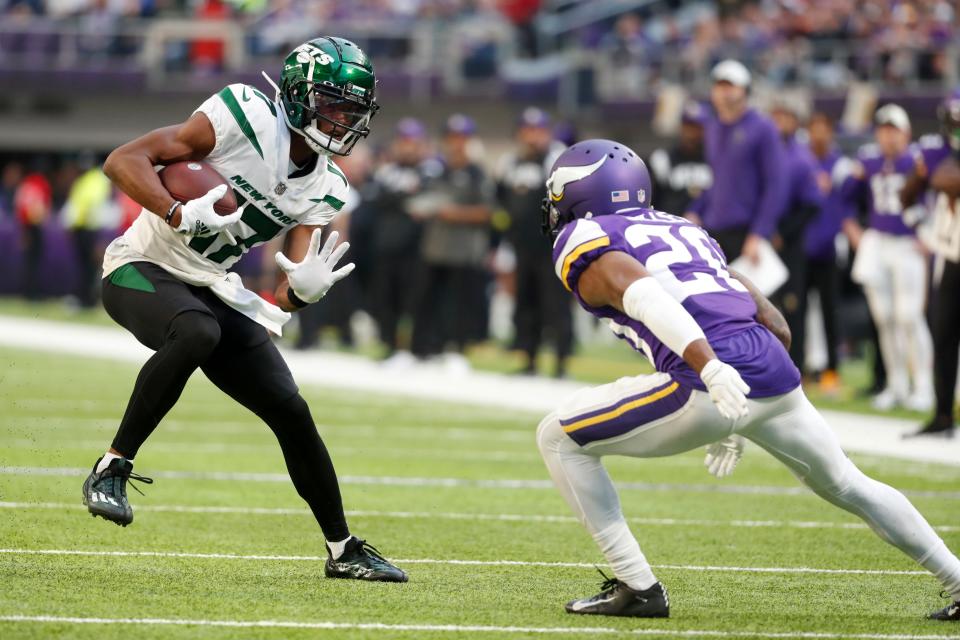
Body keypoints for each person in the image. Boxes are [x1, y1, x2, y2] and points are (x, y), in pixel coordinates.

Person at [536, 139, 960, 621]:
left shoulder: (583, 237)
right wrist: (743, 408)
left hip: (704, 377)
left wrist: (713, 372)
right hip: (771, 368)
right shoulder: (683, 228)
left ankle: (638, 586)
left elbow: (645, 297)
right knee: (848, 482)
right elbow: (774, 321)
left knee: (557, 438)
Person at [84, 37, 407, 582]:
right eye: (332, 104)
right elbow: (123, 160)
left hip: (211, 283)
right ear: (298, 97)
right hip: (140, 263)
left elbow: (282, 299)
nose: (342, 119)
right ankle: (111, 466)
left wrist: (303, 292)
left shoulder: (327, 186)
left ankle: (343, 549)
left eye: (351, 110)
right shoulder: (242, 116)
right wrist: (176, 211)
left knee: (290, 408)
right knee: (196, 332)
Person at [842, 104, 934, 412]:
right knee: (885, 319)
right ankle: (897, 385)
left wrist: (931, 233)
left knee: (909, 316)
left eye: (893, 130)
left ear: (906, 133)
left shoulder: (920, 160)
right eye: (883, 129)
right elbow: (842, 199)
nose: (888, 136)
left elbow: (942, 195)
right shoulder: (869, 160)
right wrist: (854, 231)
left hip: (909, 243)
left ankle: (923, 386)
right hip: (879, 242)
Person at [410, 114, 493, 366]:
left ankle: (455, 351)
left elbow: (488, 212)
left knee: (457, 304)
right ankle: (422, 350)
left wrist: (453, 213)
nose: (456, 143)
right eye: (452, 138)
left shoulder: (477, 173)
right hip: (434, 248)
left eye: (461, 138)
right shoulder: (436, 170)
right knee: (426, 301)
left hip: (463, 251)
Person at [900, 92, 960, 438]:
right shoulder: (937, 154)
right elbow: (916, 190)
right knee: (943, 335)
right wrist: (919, 223)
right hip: (950, 256)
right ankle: (942, 415)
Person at [688, 59, 787, 262]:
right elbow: (716, 178)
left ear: (745, 90)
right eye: (719, 85)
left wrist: (759, 233)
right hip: (714, 228)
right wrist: (695, 210)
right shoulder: (713, 128)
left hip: (745, 231)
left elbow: (775, 185)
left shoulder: (763, 127)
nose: (724, 92)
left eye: (730, 86)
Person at [496, 107, 570, 377]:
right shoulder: (510, 162)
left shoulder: (557, 159)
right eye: (527, 131)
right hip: (522, 244)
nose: (531, 137)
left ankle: (561, 362)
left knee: (556, 305)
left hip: (552, 245)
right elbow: (501, 201)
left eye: (537, 131)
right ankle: (530, 358)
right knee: (526, 304)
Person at [367, 118, 435, 364]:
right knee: (387, 299)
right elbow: (379, 202)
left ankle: (419, 348)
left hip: (416, 248)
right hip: (386, 245)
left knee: (416, 299)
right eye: (403, 141)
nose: (407, 147)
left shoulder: (429, 170)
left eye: (412, 142)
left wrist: (400, 201)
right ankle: (391, 345)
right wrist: (404, 200)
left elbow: (425, 203)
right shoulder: (387, 171)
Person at [801, 112, 854, 392]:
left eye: (824, 129)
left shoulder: (840, 165)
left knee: (829, 312)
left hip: (828, 246)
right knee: (799, 313)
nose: (819, 135)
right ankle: (805, 367)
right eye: (815, 129)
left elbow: (849, 200)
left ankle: (832, 369)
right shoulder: (801, 161)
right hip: (803, 246)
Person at [769, 102, 824, 370]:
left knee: (792, 305)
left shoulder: (801, 158)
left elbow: (812, 204)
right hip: (761, 239)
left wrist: (783, 233)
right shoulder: (765, 154)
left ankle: (796, 365)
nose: (779, 122)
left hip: (789, 243)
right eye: (775, 116)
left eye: (785, 117)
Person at [63, 152, 112, 308]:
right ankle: (85, 298)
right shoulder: (86, 179)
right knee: (84, 266)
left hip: (91, 229)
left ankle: (88, 300)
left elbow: (94, 205)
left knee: (90, 267)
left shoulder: (97, 179)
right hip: (83, 227)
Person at [648, 101, 712, 216]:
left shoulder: (716, 160)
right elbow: (652, 201)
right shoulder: (662, 159)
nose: (691, 134)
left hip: (709, 231)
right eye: (688, 127)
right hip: (670, 229)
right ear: (681, 127)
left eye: (697, 128)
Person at [14, 162, 52, 300]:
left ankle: (27, 291)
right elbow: (43, 205)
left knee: (29, 262)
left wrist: (23, 228)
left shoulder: (25, 184)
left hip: (26, 225)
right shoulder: (41, 183)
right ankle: (33, 293)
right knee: (35, 262)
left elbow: (19, 205)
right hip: (35, 225)